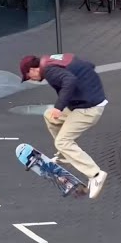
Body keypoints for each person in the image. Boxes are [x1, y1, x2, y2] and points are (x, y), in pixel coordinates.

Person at [19, 53, 108, 199]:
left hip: (88, 109)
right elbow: (88, 64)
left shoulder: (49, 71)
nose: (31, 80)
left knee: (62, 141)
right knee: (50, 116)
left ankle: (95, 174)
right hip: (84, 103)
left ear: (33, 69)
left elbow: (69, 80)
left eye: (28, 76)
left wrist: (59, 107)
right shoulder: (51, 60)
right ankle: (64, 155)